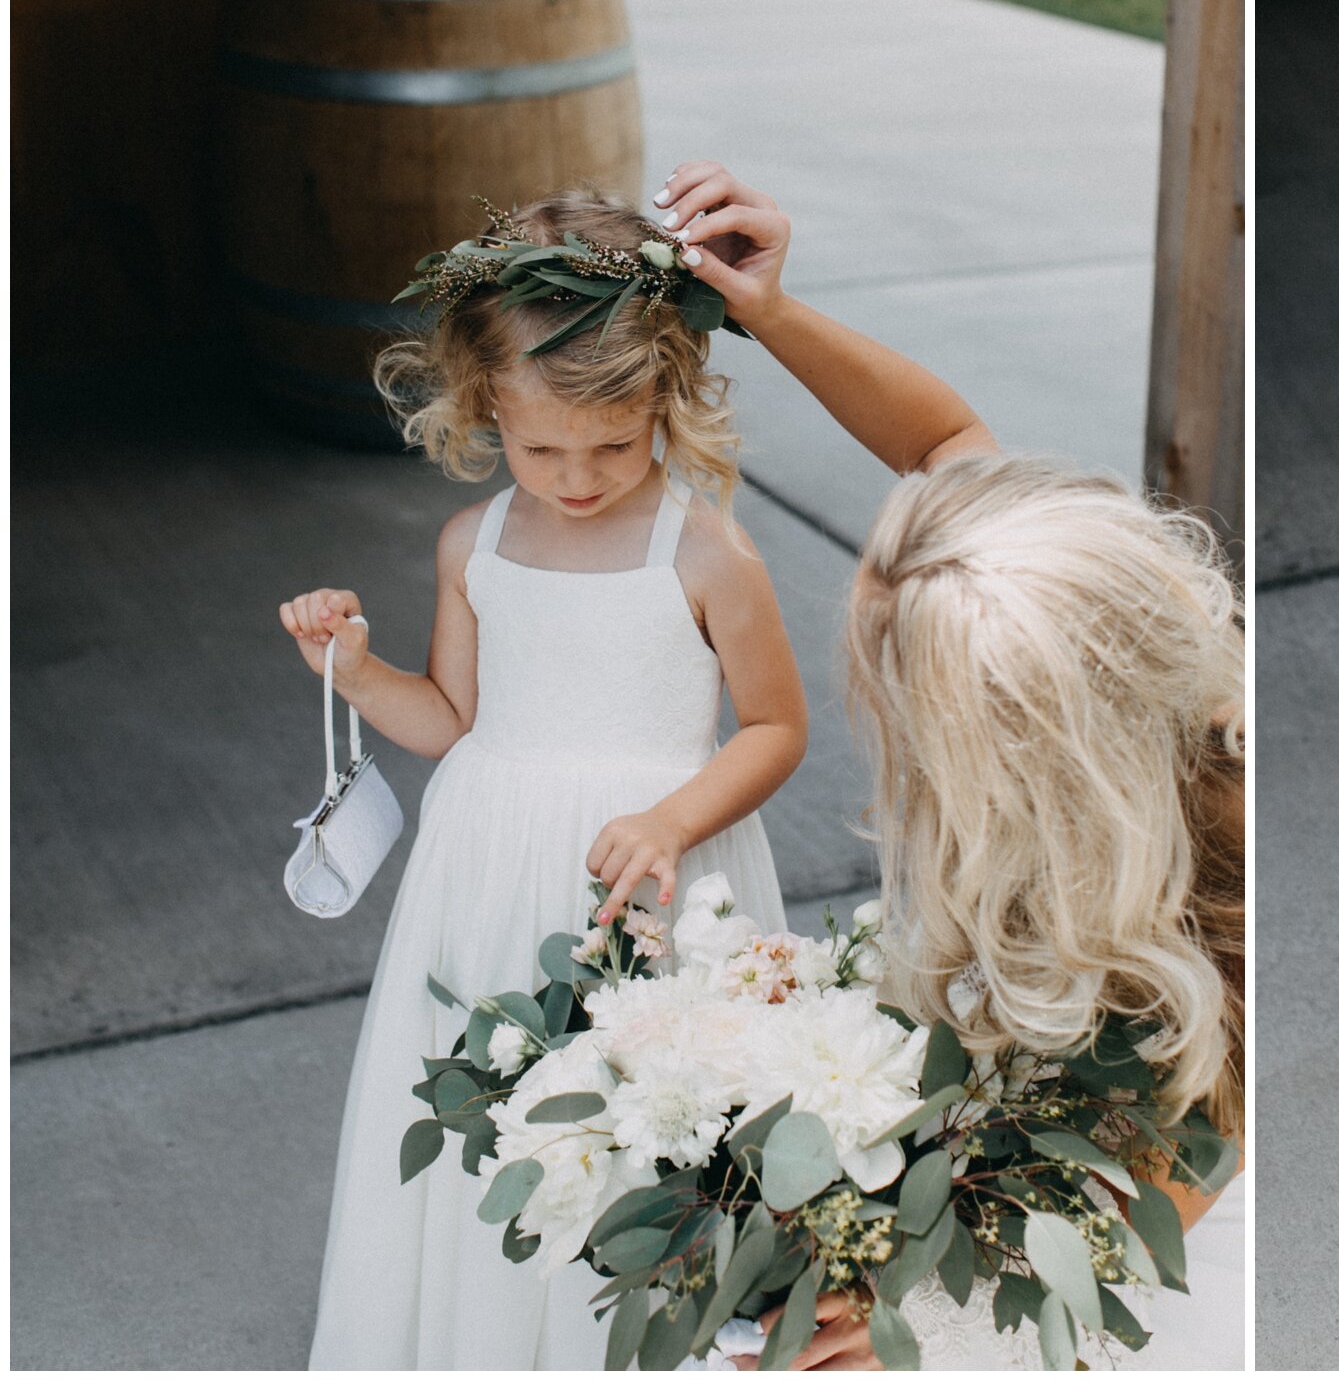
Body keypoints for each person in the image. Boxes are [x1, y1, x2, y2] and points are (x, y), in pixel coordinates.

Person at [651, 161, 1249, 1370]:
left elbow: (1121, 1231)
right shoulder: (1080, 620)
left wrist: (907, 1306)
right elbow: (941, 442)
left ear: (1021, 774)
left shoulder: (1200, 949)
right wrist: (768, 311)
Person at [296, 188, 808, 1368]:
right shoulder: (472, 546)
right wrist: (359, 671)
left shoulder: (707, 550)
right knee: (505, 1124)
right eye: (538, 448)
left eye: (614, 445)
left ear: (670, 397)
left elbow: (775, 727)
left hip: (654, 881)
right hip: (486, 882)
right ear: (482, 412)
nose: (577, 477)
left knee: (651, 1131)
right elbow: (451, 719)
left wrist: (673, 819)